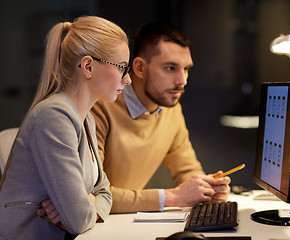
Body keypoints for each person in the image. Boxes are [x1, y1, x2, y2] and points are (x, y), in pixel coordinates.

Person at [0, 16, 131, 240]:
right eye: (121, 67)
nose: (127, 79)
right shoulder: (54, 117)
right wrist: (86, 205)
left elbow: (105, 193)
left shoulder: (86, 119)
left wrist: (89, 201)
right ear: (88, 66)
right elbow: (78, 220)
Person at [91, 22, 231, 213]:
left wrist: (206, 190)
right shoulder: (99, 108)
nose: (182, 81)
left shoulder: (171, 110)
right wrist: (173, 197)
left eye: (186, 68)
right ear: (139, 68)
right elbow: (91, 196)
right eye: (170, 68)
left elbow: (187, 171)